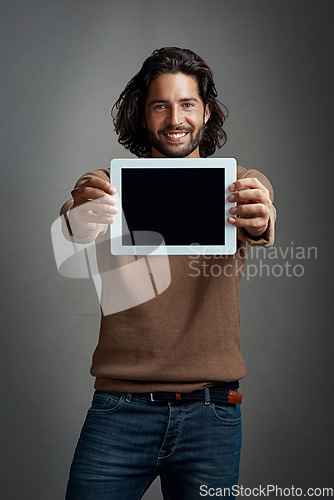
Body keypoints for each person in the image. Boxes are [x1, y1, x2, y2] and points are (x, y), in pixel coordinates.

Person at [61, 47, 276, 499]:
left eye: (187, 104)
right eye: (160, 105)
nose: (174, 118)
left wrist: (260, 219)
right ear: (143, 116)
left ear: (206, 111)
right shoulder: (106, 187)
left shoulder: (238, 183)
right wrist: (80, 212)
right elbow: (72, 226)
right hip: (120, 408)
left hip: (212, 411)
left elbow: (261, 217)